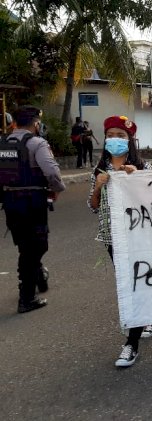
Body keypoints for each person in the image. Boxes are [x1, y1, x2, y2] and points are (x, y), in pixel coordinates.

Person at [87, 115, 152, 367]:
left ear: (130, 140)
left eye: (121, 136)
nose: (115, 140)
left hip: (139, 236)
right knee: (128, 284)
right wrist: (98, 187)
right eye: (111, 135)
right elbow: (93, 207)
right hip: (113, 238)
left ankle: (131, 343)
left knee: (137, 283)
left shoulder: (141, 168)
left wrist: (135, 180)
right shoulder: (99, 170)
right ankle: (145, 321)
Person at [1, 106, 65, 313]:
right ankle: (27, 297)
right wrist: (56, 190)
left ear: (15, 123)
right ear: (36, 123)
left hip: (10, 202)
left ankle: (37, 278)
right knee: (36, 247)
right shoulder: (37, 143)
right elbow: (52, 172)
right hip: (33, 202)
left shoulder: (2, 143)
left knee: (25, 245)